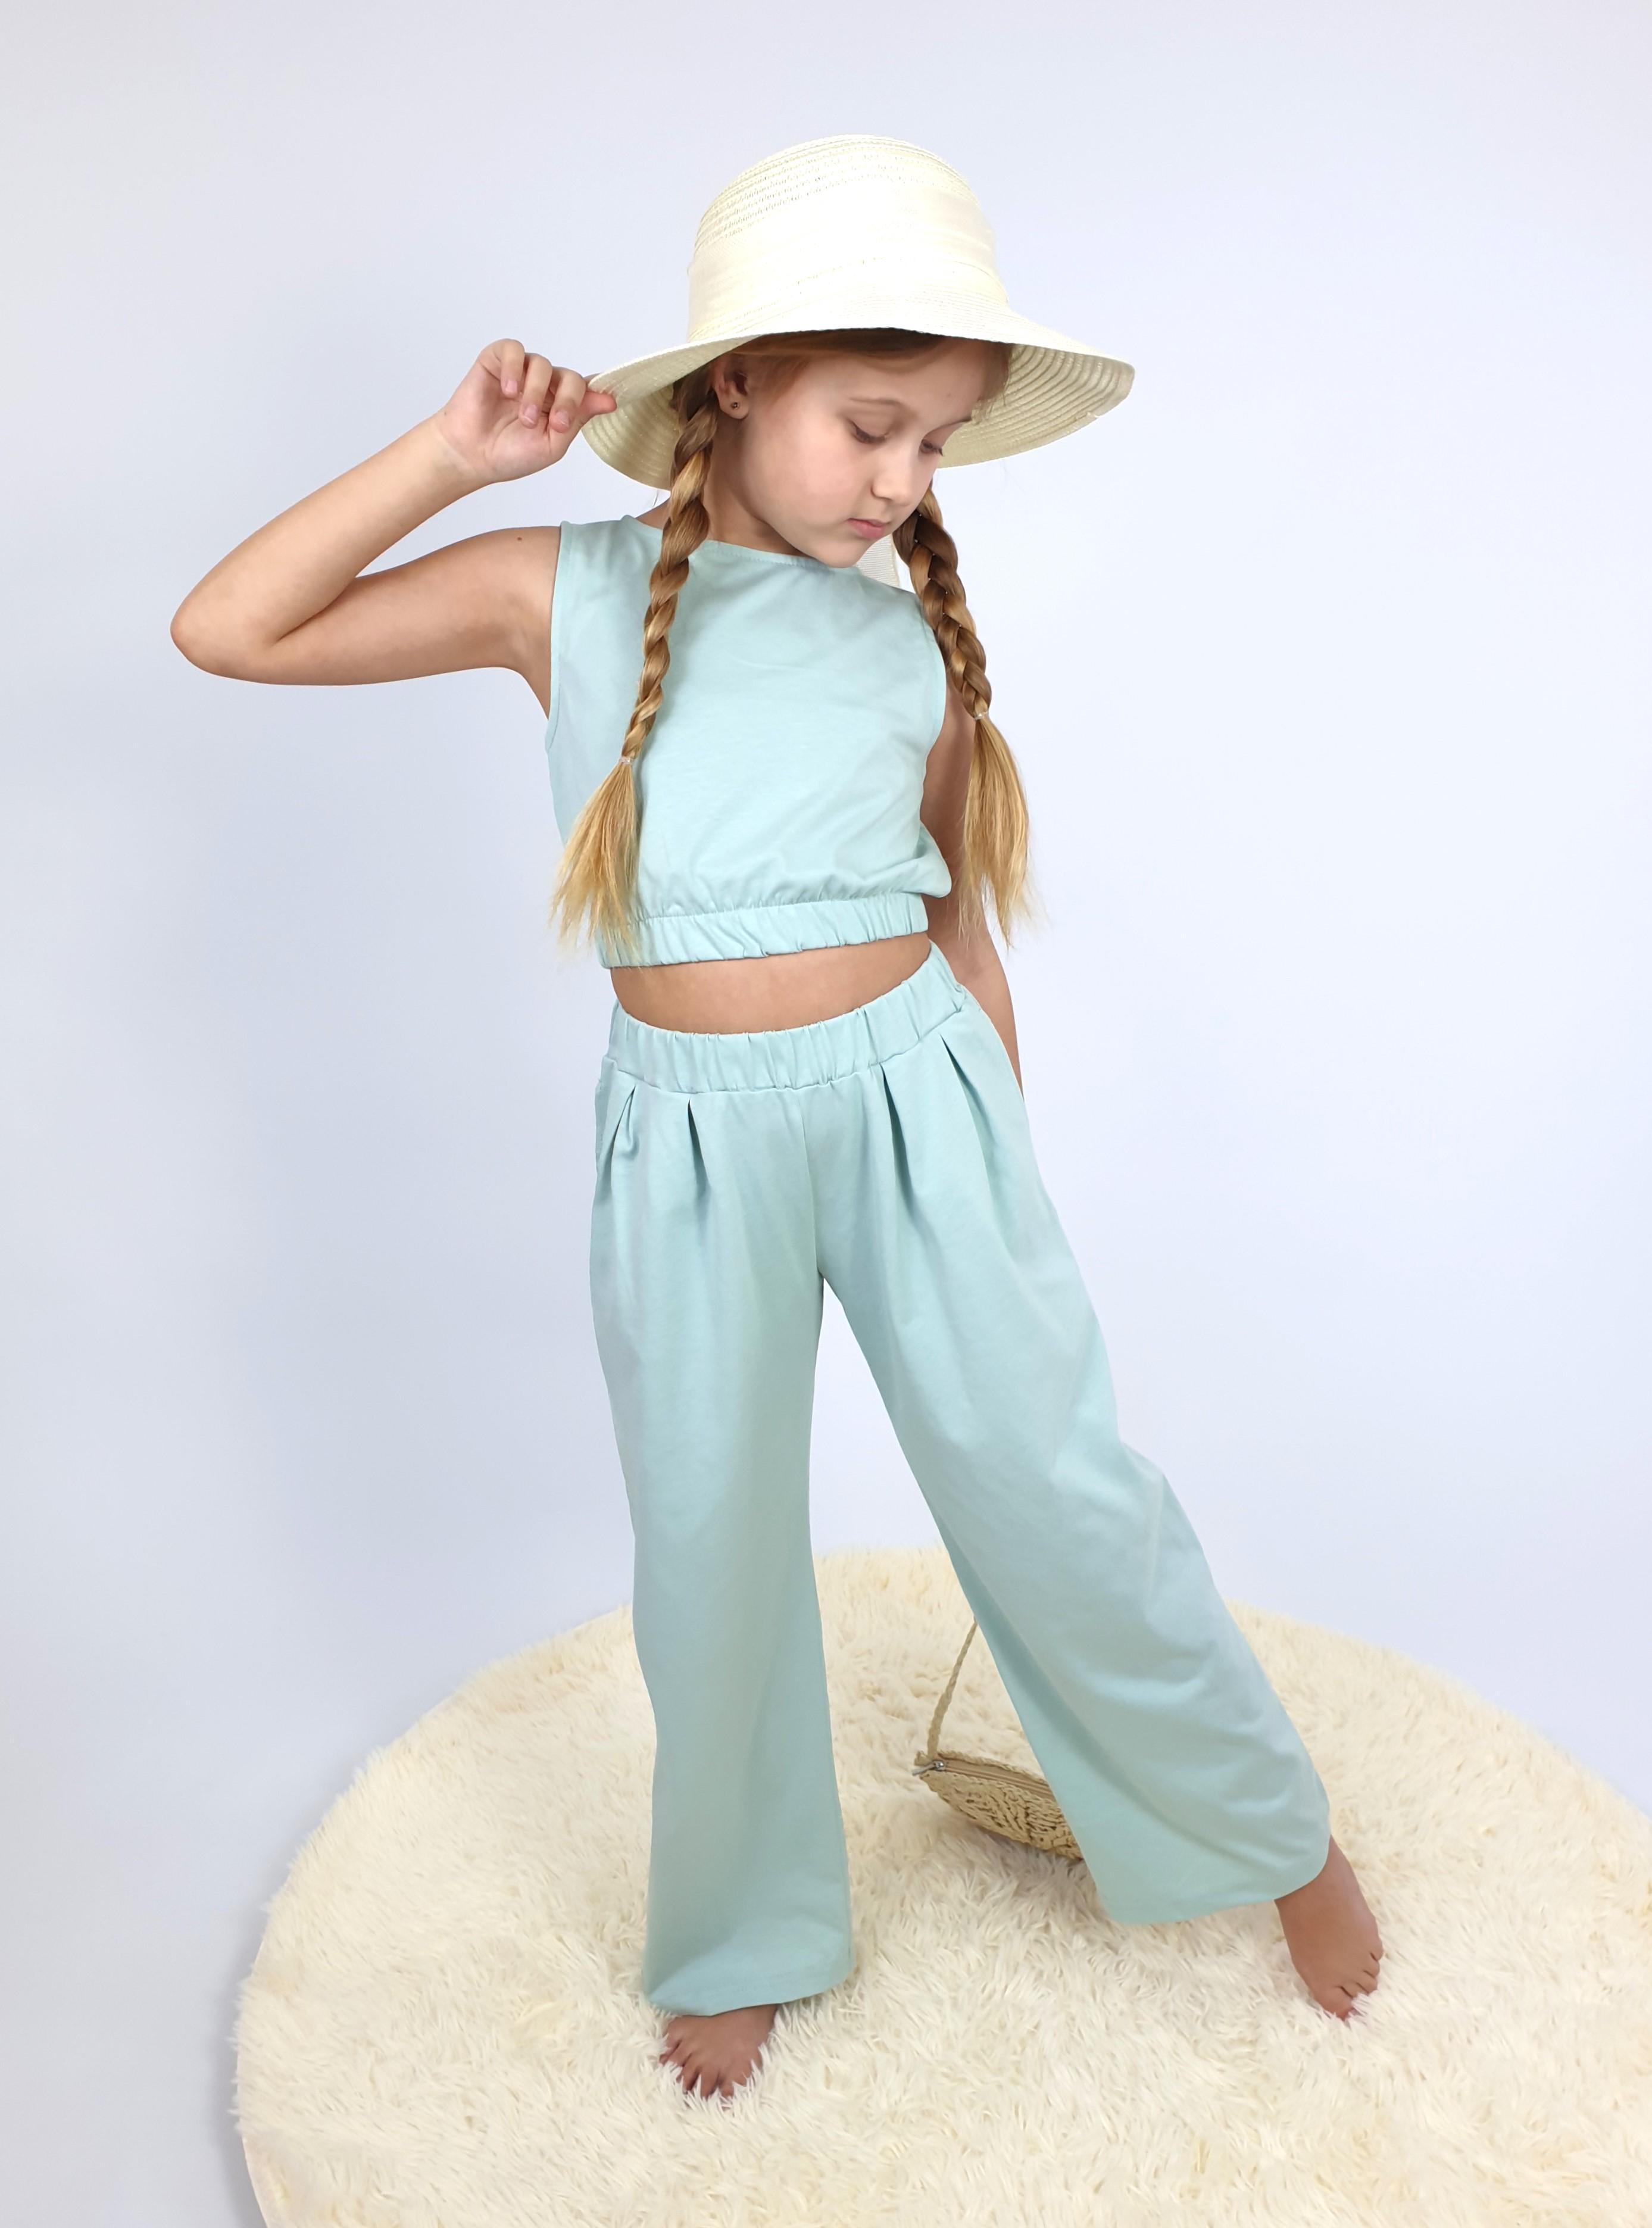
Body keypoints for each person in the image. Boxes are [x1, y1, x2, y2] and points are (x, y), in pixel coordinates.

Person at [172, 133, 1383, 2108]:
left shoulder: (909, 640)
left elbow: (956, 919)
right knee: (711, 1543)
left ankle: (1281, 1840)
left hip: (921, 1114)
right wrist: (453, 458)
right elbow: (230, 628)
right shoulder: (556, 591)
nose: (902, 480)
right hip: (690, 1145)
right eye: (871, 426)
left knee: (1060, 1494)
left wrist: (1002, 1155)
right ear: (737, 383)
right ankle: (743, 1925)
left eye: (936, 444)